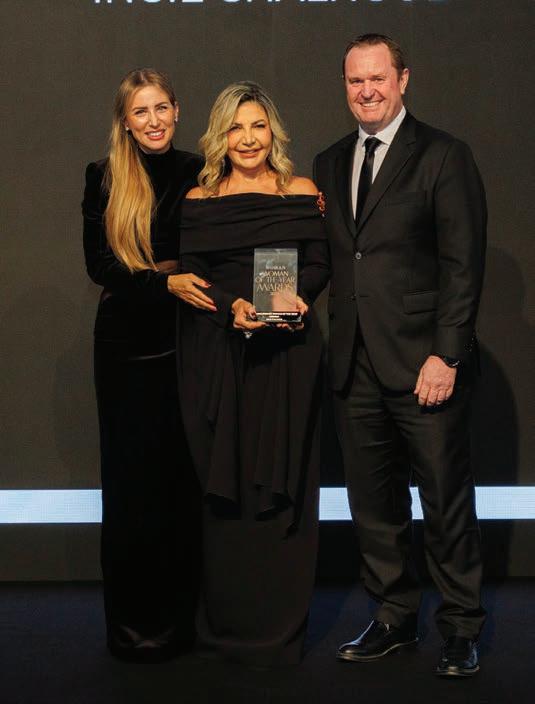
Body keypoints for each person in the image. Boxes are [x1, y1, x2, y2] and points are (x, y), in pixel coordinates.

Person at [314, 34, 487, 677]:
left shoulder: (443, 155)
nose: (367, 91)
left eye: (378, 78)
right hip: (353, 364)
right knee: (374, 506)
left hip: (424, 367)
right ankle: (393, 617)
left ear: (403, 79)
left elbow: (462, 265)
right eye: (355, 80)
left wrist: (447, 356)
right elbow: (329, 258)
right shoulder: (329, 162)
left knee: (445, 502)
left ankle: (460, 628)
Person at [177, 81, 329, 667]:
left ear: (274, 132)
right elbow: (192, 275)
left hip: (288, 357)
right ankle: (228, 625)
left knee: (285, 482)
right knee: (228, 487)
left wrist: (299, 298)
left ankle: (280, 627)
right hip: (220, 358)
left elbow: (319, 264)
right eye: (235, 127)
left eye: (258, 125)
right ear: (219, 136)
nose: (247, 139)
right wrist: (228, 307)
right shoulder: (199, 199)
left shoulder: (302, 192)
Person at [82, 68, 215, 662]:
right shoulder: (104, 176)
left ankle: (182, 623)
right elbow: (100, 265)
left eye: (162, 108)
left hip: (187, 340)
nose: (154, 120)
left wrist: (302, 199)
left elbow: (245, 214)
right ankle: (133, 628)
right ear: (126, 121)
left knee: (180, 484)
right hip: (124, 348)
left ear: (177, 111)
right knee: (131, 488)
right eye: (141, 111)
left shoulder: (199, 170)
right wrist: (164, 283)